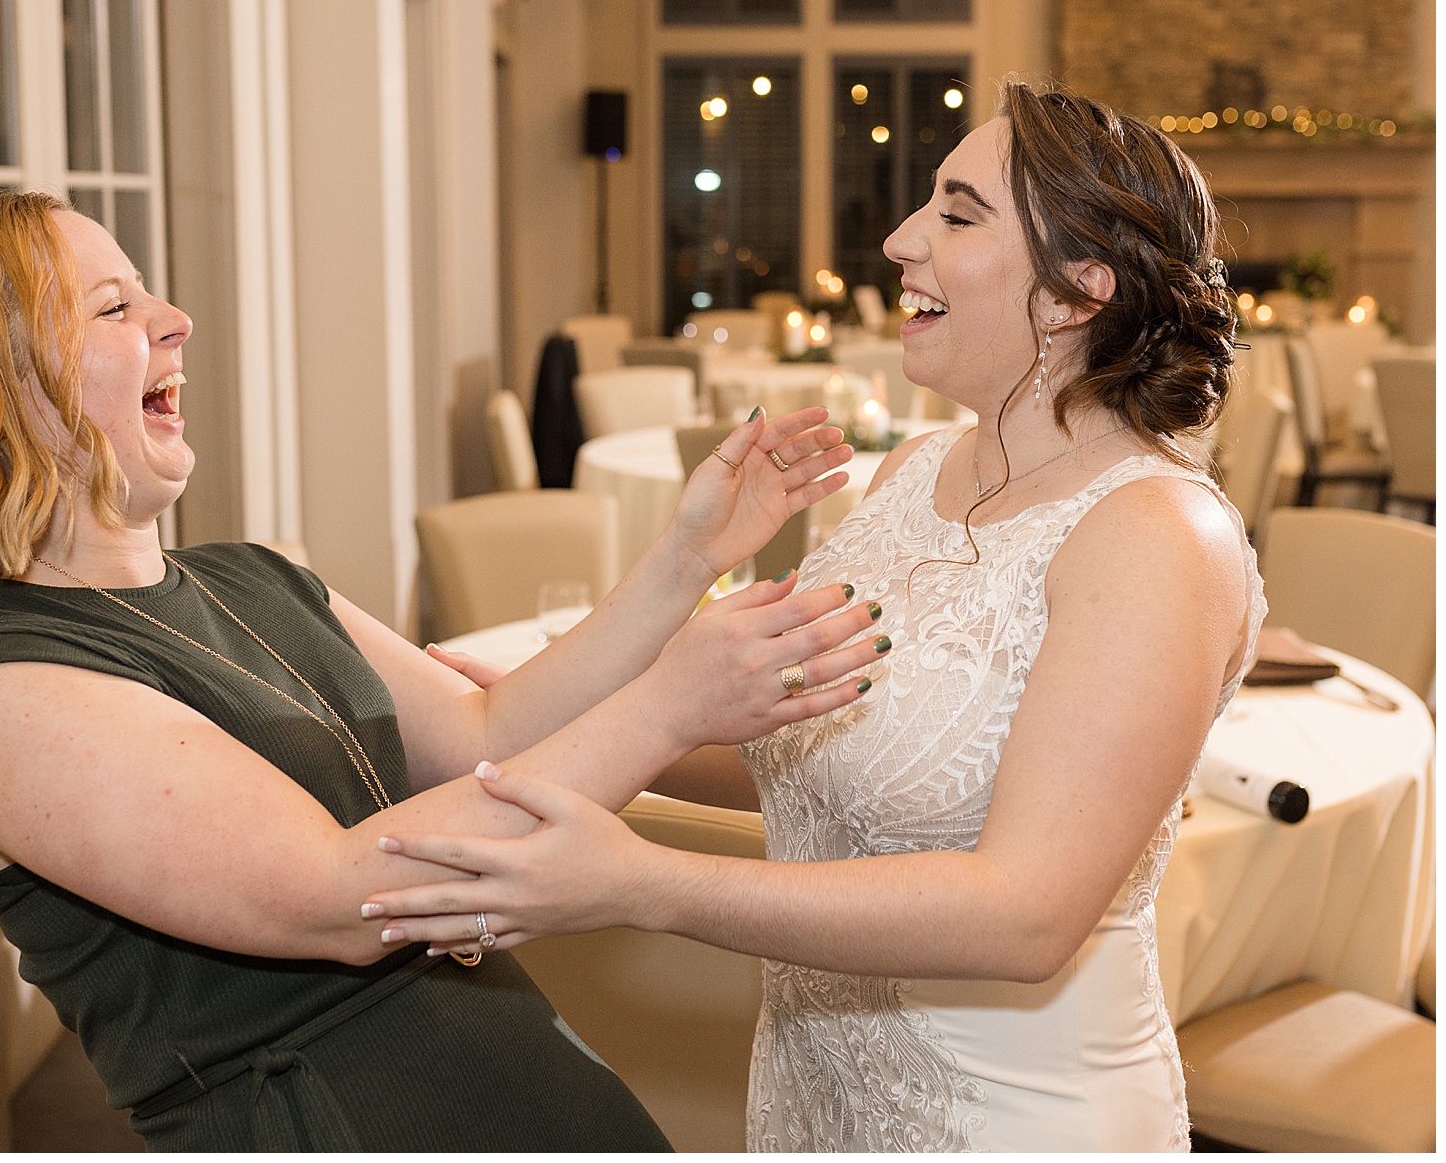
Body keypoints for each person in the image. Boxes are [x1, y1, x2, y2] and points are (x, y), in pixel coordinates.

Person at [0, 191, 888, 1150]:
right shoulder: (4, 696)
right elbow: (352, 898)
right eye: (114, 306)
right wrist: (673, 702)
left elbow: (491, 731)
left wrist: (687, 554)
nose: (176, 319)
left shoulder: (253, 575)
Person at [367, 82, 1266, 1151]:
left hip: (1015, 1123)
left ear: (1076, 292)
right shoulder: (914, 472)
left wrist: (639, 881)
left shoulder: (1158, 533)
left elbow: (1026, 914)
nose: (898, 241)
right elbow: (820, 762)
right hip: (816, 1103)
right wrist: (556, 729)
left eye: (957, 213)